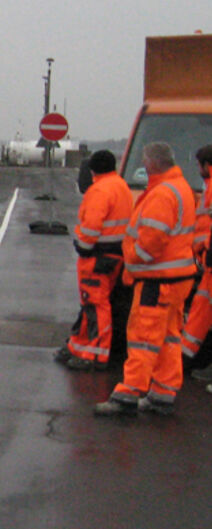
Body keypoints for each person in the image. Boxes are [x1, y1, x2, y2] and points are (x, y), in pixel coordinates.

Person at [96, 142, 197, 416]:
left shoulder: (163, 194)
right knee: (168, 337)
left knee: (143, 336)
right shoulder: (180, 188)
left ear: (152, 163)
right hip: (176, 278)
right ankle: (163, 392)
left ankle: (128, 393)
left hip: (157, 280)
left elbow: (152, 241)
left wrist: (132, 258)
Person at [54, 150, 132, 371]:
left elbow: (91, 227)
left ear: (92, 170)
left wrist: (82, 246)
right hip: (116, 255)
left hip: (98, 256)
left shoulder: (99, 190)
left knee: (96, 304)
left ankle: (96, 354)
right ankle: (79, 346)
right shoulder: (121, 186)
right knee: (92, 304)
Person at [182, 146, 212, 372]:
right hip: (203, 260)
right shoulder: (207, 189)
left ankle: (188, 360)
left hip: (207, 260)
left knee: (201, 312)